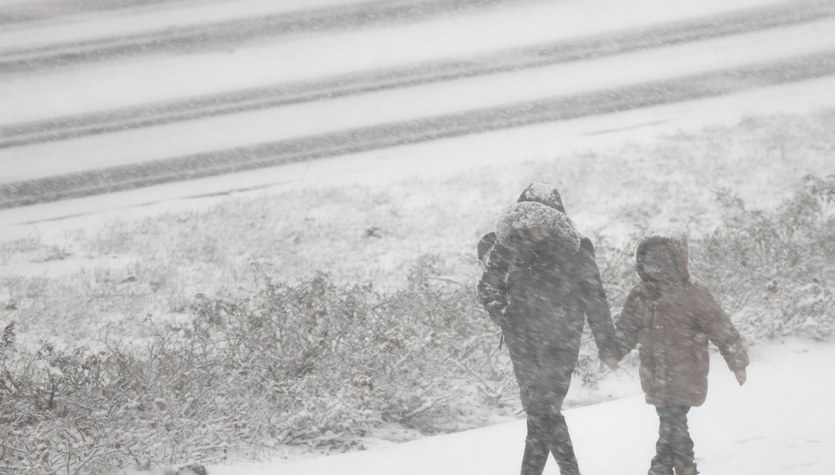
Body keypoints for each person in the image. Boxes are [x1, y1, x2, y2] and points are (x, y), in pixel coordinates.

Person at [478, 184, 618, 475]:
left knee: (543, 409)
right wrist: (504, 315)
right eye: (532, 219)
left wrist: (607, 346)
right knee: (540, 412)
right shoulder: (506, 247)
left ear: (557, 220)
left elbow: (595, 298)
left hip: (561, 340)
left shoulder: (577, 250)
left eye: (546, 220)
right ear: (522, 218)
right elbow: (488, 286)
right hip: (522, 340)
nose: (538, 226)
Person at [611, 231, 749, 475]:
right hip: (655, 373)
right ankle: (678, 466)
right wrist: (613, 352)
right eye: (651, 267)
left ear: (676, 264)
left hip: (687, 371)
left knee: (672, 419)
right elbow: (627, 329)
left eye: (663, 266)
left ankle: (667, 467)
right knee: (672, 421)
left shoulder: (694, 293)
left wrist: (737, 361)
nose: (657, 272)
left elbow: (720, 326)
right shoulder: (641, 294)